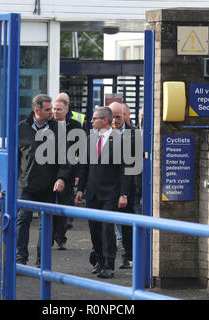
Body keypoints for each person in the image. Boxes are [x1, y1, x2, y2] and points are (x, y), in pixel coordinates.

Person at [75, 106, 130, 279]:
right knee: (94, 230)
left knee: (107, 229)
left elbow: (124, 170)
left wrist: (124, 194)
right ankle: (99, 260)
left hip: (110, 193)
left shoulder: (120, 141)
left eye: (94, 118)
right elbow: (84, 167)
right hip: (92, 193)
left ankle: (108, 264)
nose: (91, 121)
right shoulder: (90, 139)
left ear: (104, 120)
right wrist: (80, 190)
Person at [17, 94, 71, 266]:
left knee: (45, 224)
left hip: (49, 186)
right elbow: (14, 158)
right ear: (36, 110)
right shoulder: (21, 128)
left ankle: (42, 261)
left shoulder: (58, 130)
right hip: (27, 185)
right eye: (48, 110)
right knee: (22, 219)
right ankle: (20, 257)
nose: (52, 113)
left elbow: (65, 158)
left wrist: (61, 178)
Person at [108, 102, 138, 269]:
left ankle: (129, 256)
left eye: (118, 117)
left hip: (128, 185)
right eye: (112, 117)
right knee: (105, 223)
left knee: (126, 224)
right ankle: (105, 257)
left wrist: (126, 191)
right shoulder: (104, 133)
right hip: (108, 186)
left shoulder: (134, 134)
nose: (115, 121)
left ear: (125, 116)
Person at [51, 97, 83, 249]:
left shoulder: (75, 126)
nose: (55, 112)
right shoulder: (48, 126)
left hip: (69, 172)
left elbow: (80, 152)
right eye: (54, 109)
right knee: (49, 205)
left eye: (58, 109)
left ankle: (61, 238)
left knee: (64, 205)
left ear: (66, 110)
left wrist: (77, 175)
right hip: (50, 172)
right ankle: (48, 238)